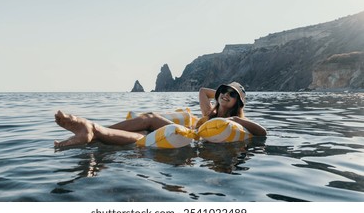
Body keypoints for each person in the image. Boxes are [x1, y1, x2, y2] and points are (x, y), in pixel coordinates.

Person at [54, 81, 266, 148]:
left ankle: (93, 129)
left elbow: (262, 132)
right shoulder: (208, 112)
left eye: (232, 94)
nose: (226, 95)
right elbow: (203, 91)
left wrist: (236, 117)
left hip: (191, 139)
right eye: (224, 91)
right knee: (145, 132)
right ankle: (94, 130)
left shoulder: (232, 121)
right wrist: (221, 95)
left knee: (151, 118)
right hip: (187, 133)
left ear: (238, 102)